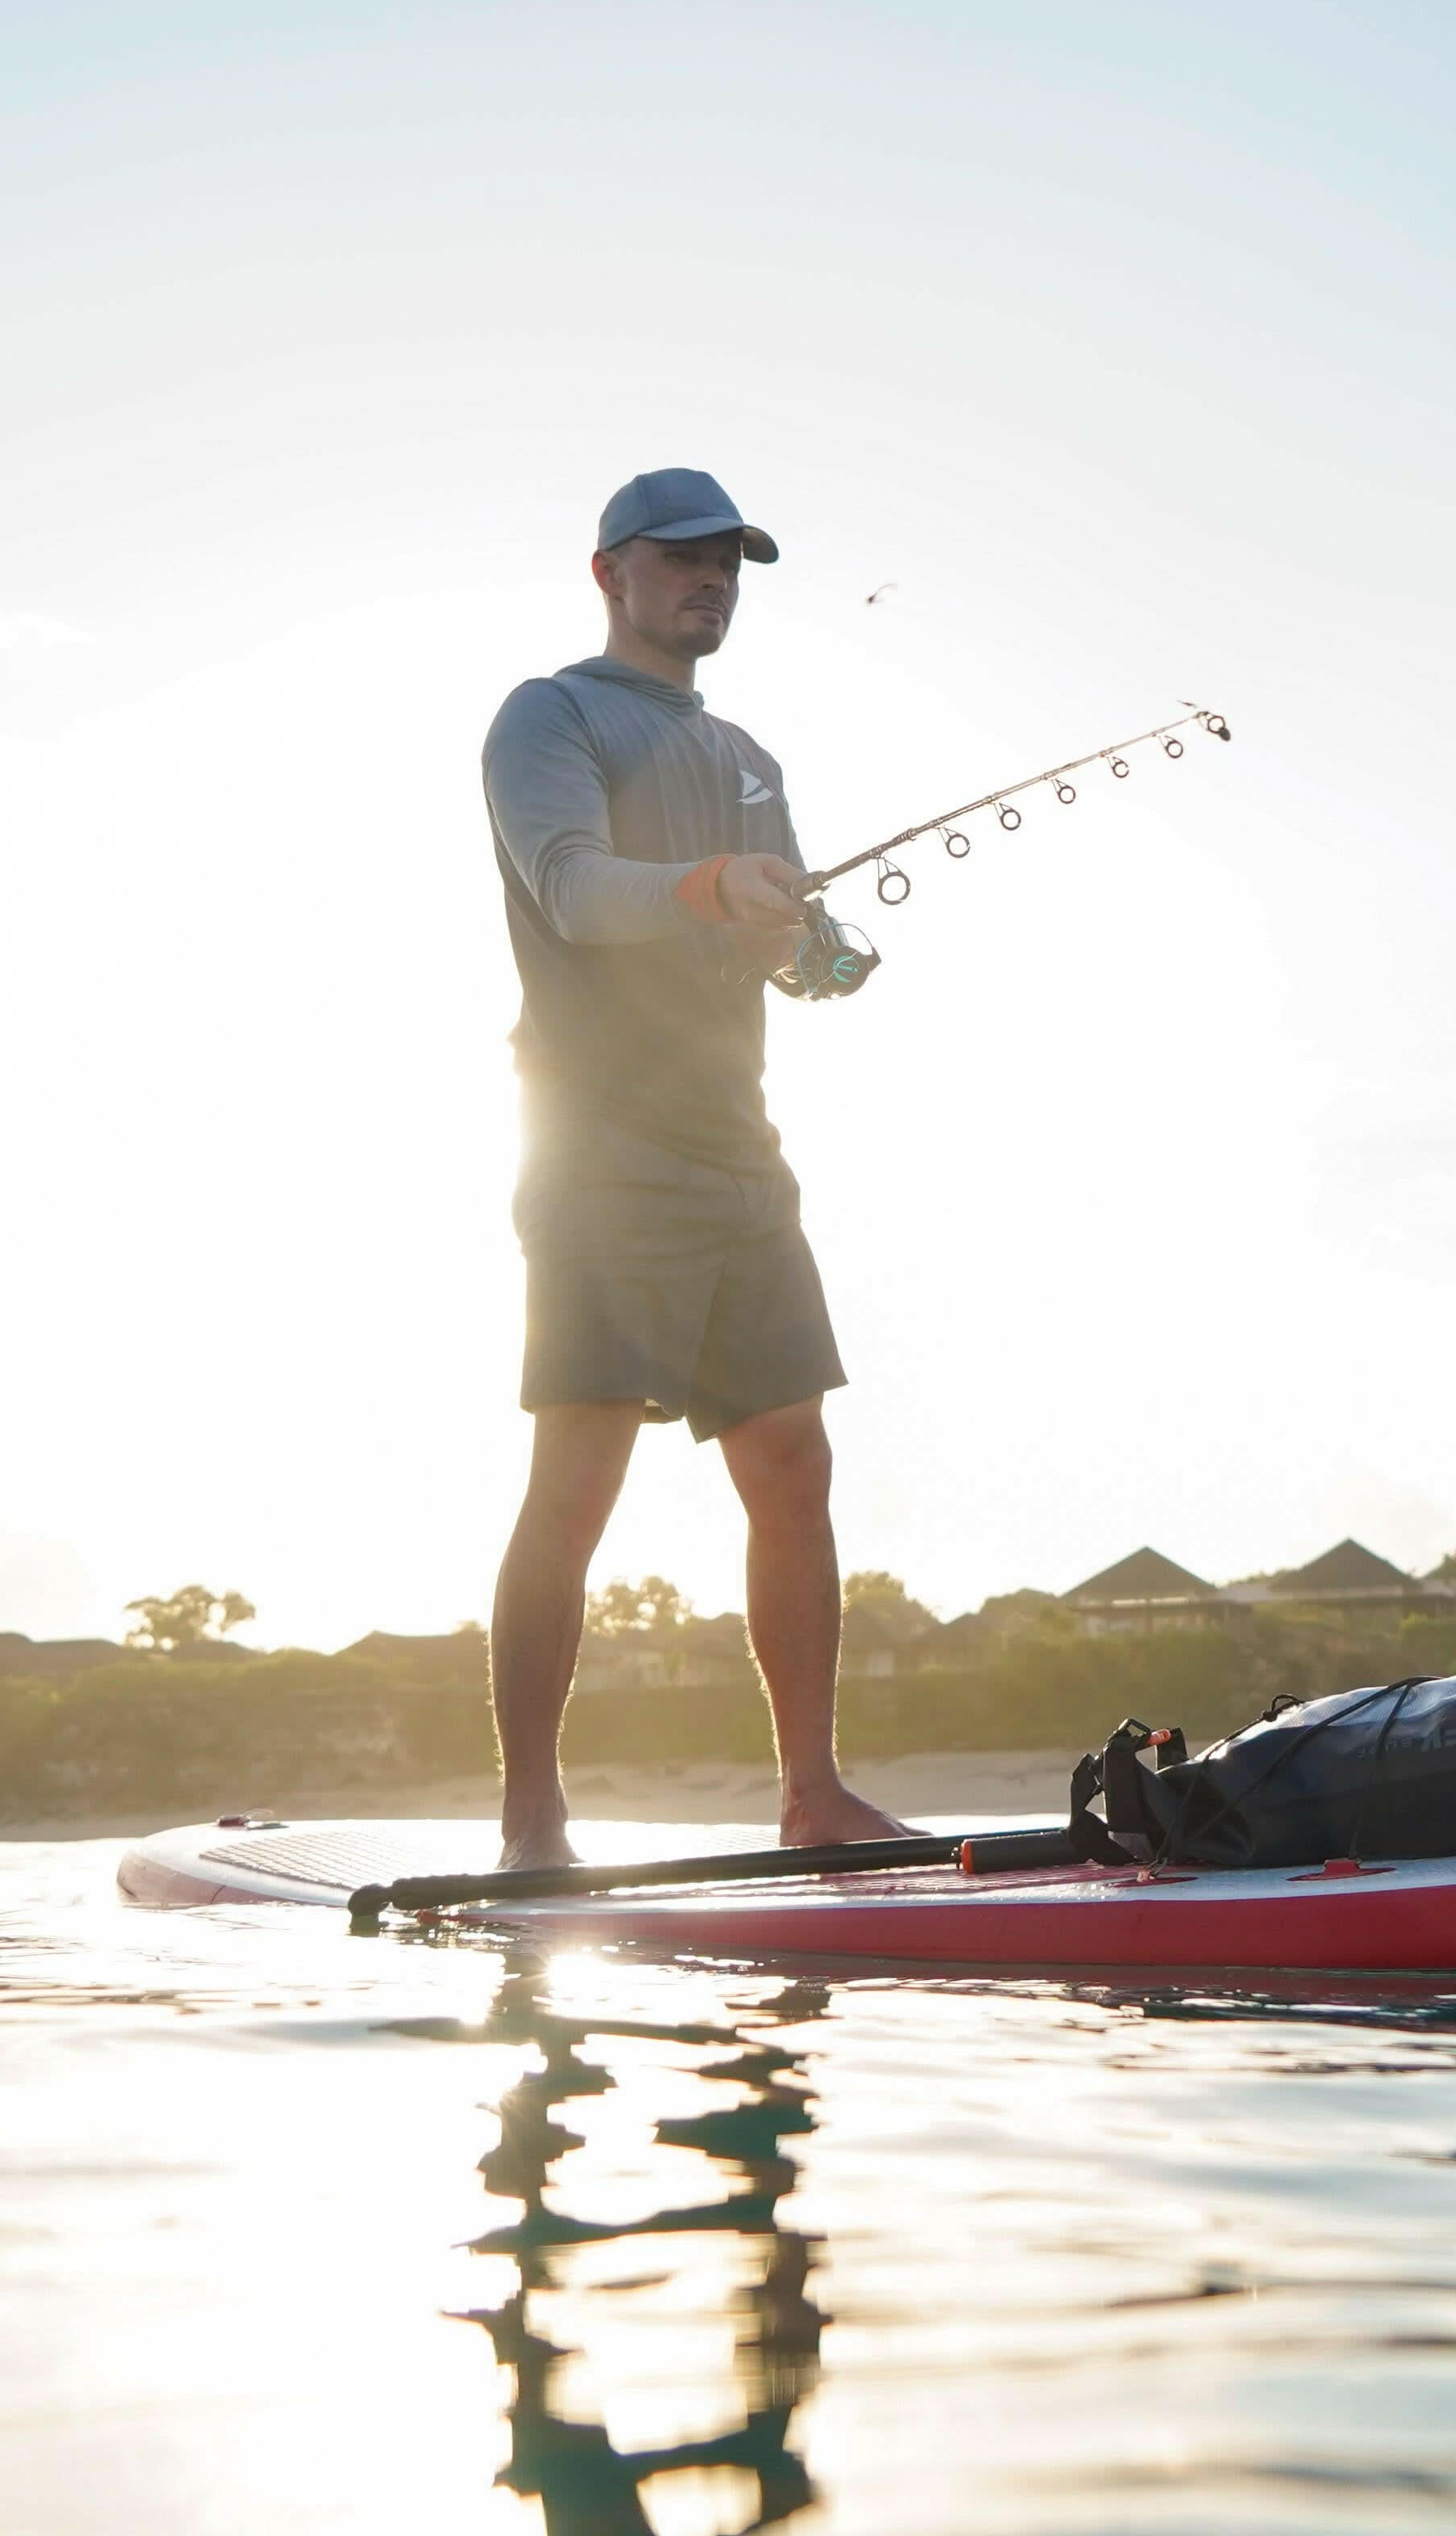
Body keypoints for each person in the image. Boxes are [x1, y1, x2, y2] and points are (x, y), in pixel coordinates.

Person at [479, 467, 907, 1872]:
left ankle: (812, 1792)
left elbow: (793, 959)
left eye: (729, 562)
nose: (710, 581)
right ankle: (533, 1811)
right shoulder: (550, 717)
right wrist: (713, 886)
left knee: (794, 1462)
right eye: (683, 560)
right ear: (611, 572)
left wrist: (821, 947)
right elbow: (574, 891)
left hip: (740, 1158)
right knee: (579, 1481)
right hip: (601, 1153)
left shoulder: (752, 760)